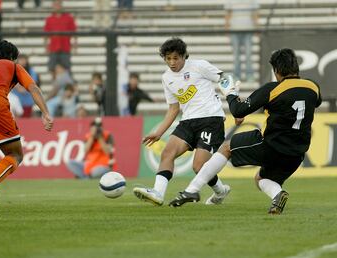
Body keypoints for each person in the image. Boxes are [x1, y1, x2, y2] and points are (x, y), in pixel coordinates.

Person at [169, 48, 322, 215]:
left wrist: (231, 93)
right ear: (296, 67)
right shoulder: (312, 87)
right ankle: (278, 195)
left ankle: (192, 189)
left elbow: (238, 110)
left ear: (276, 70)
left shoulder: (273, 89)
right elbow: (313, 102)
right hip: (297, 152)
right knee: (262, 179)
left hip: (272, 144)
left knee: (227, 147)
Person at [133, 37, 242, 206]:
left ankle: (220, 191)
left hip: (211, 120)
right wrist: (158, 132)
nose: (172, 62)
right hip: (187, 122)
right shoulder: (166, 78)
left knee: (199, 167)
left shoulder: (199, 66)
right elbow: (173, 109)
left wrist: (236, 103)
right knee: (167, 153)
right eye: (168, 59)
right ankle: (158, 193)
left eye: (175, 58)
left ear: (184, 56)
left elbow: (224, 77)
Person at [0, 40, 53, 212]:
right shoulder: (12, 66)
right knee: (15, 154)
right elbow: (32, 88)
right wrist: (45, 112)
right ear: (11, 56)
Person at [224, 0, 259, 82]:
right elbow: (228, 13)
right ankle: (237, 75)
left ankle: (249, 75)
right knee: (236, 54)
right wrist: (226, 28)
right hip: (234, 29)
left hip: (248, 29)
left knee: (248, 54)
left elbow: (255, 14)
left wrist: (257, 27)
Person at [43, 0, 77, 77]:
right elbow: (45, 34)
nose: (57, 6)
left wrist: (75, 46)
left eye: (58, 4)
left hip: (65, 47)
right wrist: (46, 47)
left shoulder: (69, 18)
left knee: (67, 68)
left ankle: (66, 86)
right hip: (53, 48)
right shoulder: (49, 19)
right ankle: (55, 85)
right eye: (55, 4)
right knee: (52, 68)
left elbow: (74, 32)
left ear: (61, 5)